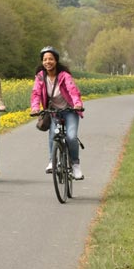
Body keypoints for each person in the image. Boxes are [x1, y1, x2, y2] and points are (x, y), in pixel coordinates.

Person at [30, 46, 85, 180]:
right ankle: (52, 161)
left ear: (56, 61)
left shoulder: (64, 76)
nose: (48, 62)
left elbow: (73, 90)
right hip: (53, 112)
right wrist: (35, 107)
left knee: (71, 137)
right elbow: (36, 93)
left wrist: (77, 104)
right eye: (45, 59)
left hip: (70, 111)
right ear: (42, 62)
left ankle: (75, 165)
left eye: (51, 59)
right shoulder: (40, 77)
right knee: (53, 135)